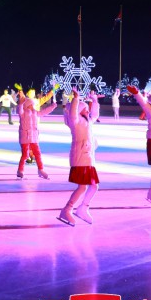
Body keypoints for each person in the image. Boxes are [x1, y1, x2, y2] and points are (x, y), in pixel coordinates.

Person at [56, 89, 101, 226]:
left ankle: (83, 208)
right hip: (80, 157)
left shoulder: (87, 121)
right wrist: (76, 99)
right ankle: (67, 209)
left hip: (88, 158)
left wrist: (94, 101)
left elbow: (94, 114)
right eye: (85, 109)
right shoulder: (75, 122)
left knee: (94, 186)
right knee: (82, 187)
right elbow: (73, 114)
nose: (88, 111)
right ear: (79, 111)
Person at [15, 87, 58, 179]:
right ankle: (20, 171)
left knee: (37, 153)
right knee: (25, 154)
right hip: (25, 137)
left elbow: (44, 112)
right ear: (27, 104)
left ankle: (41, 169)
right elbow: (19, 110)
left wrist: (52, 106)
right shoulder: (23, 112)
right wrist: (21, 103)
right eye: (31, 104)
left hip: (34, 136)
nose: (32, 106)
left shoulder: (35, 112)